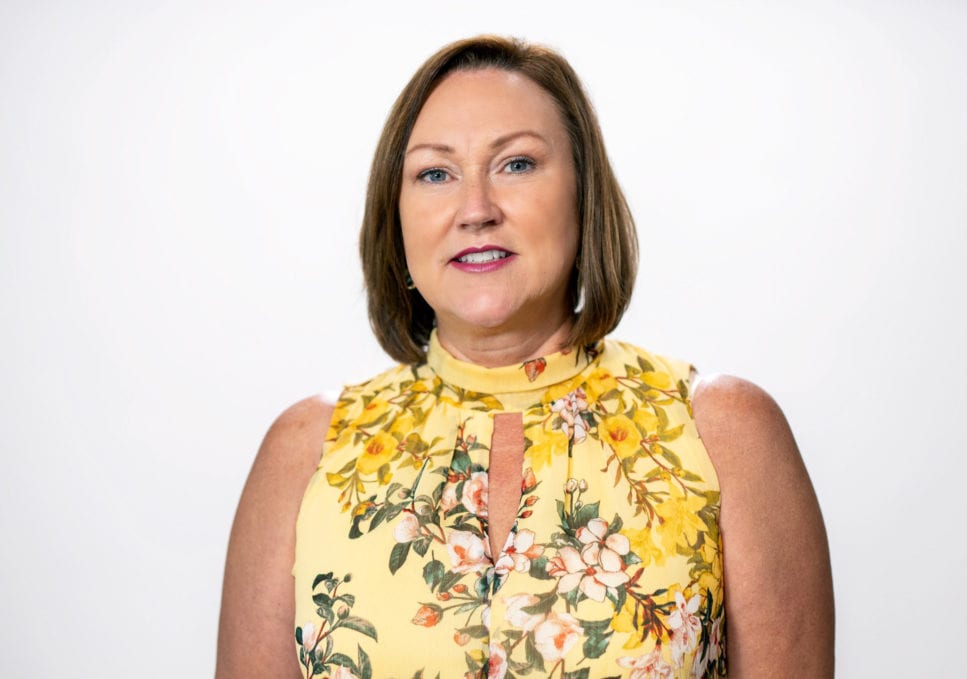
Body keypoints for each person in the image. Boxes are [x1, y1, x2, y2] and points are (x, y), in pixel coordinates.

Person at [217, 36, 834, 679]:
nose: (476, 210)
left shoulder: (726, 433)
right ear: (395, 219)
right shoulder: (306, 451)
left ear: (583, 195)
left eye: (516, 164)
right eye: (435, 173)